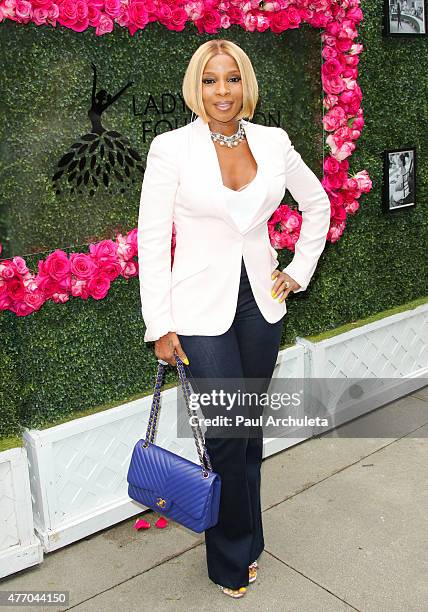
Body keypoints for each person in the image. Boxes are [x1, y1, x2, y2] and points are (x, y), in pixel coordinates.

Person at [137, 39, 331, 599]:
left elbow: (316, 203)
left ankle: (247, 539)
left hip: (261, 304)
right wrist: (159, 324)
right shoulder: (170, 148)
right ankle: (232, 556)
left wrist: (300, 269)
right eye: (209, 80)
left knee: (246, 436)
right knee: (226, 433)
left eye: (231, 79)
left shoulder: (273, 142)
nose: (221, 91)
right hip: (198, 306)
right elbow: (152, 239)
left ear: (245, 84)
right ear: (195, 88)